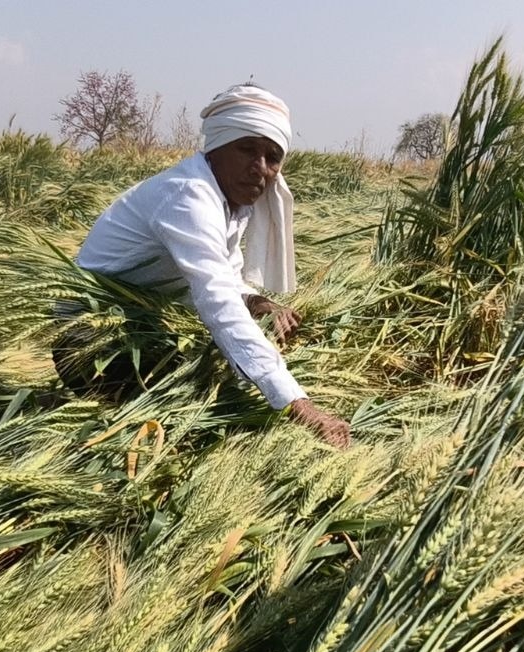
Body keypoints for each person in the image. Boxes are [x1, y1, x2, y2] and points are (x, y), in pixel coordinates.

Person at [60, 84, 352, 449]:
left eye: (272, 157)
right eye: (247, 149)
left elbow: (226, 271)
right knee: (202, 416)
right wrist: (302, 407)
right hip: (90, 344)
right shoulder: (190, 196)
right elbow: (219, 302)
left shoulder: (231, 201)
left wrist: (256, 301)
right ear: (216, 146)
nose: (260, 168)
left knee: (218, 388)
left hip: (140, 326)